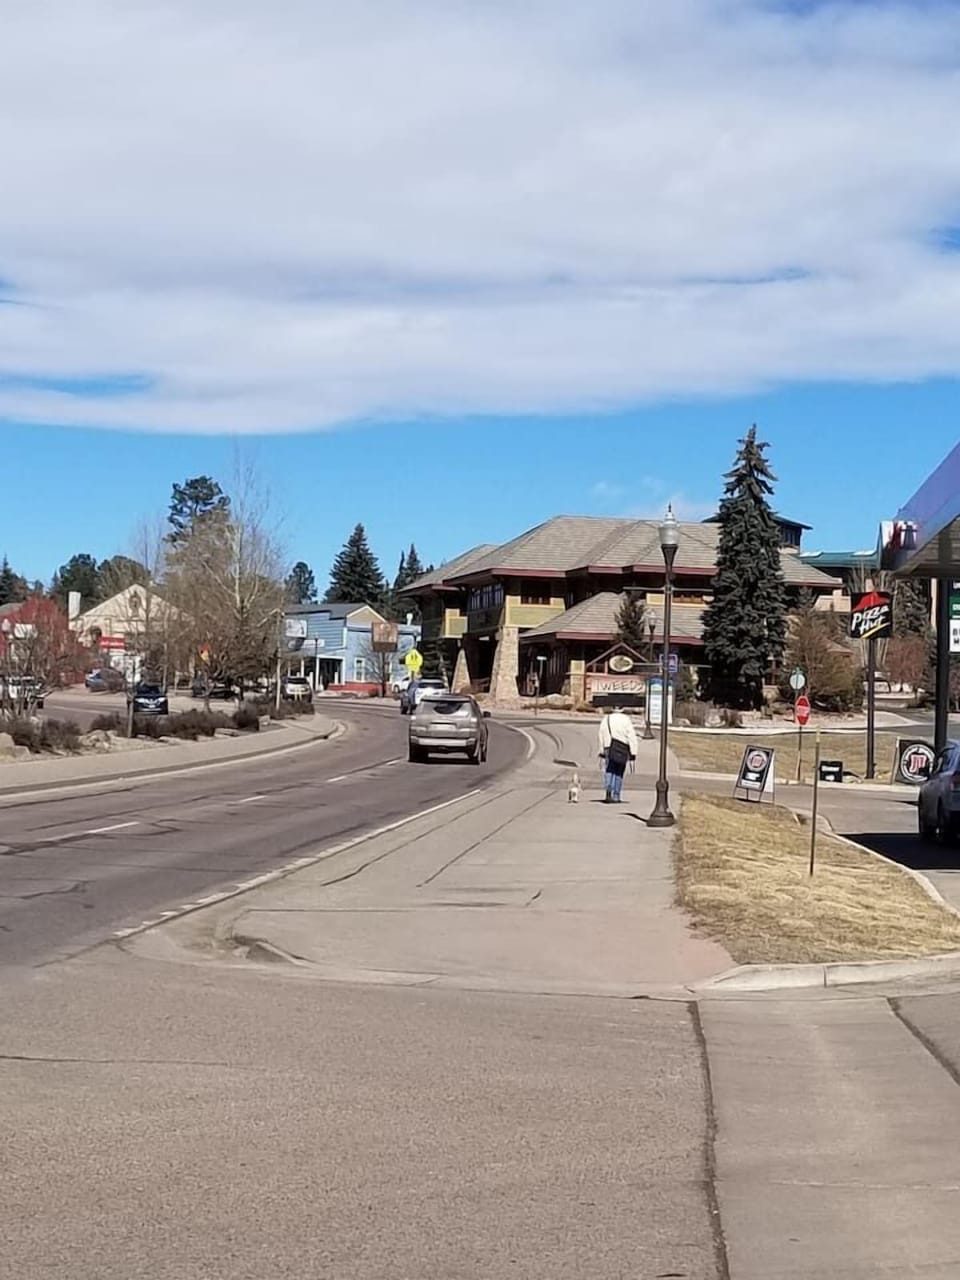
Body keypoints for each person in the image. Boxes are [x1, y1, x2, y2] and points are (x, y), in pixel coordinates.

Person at [598, 705, 638, 804]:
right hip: (622, 747)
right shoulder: (626, 720)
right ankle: (616, 795)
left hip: (608, 746)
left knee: (609, 769)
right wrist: (633, 752)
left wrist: (601, 749)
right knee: (619, 772)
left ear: (613, 709)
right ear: (622, 709)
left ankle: (608, 789)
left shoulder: (606, 719)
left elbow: (601, 734)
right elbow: (631, 736)